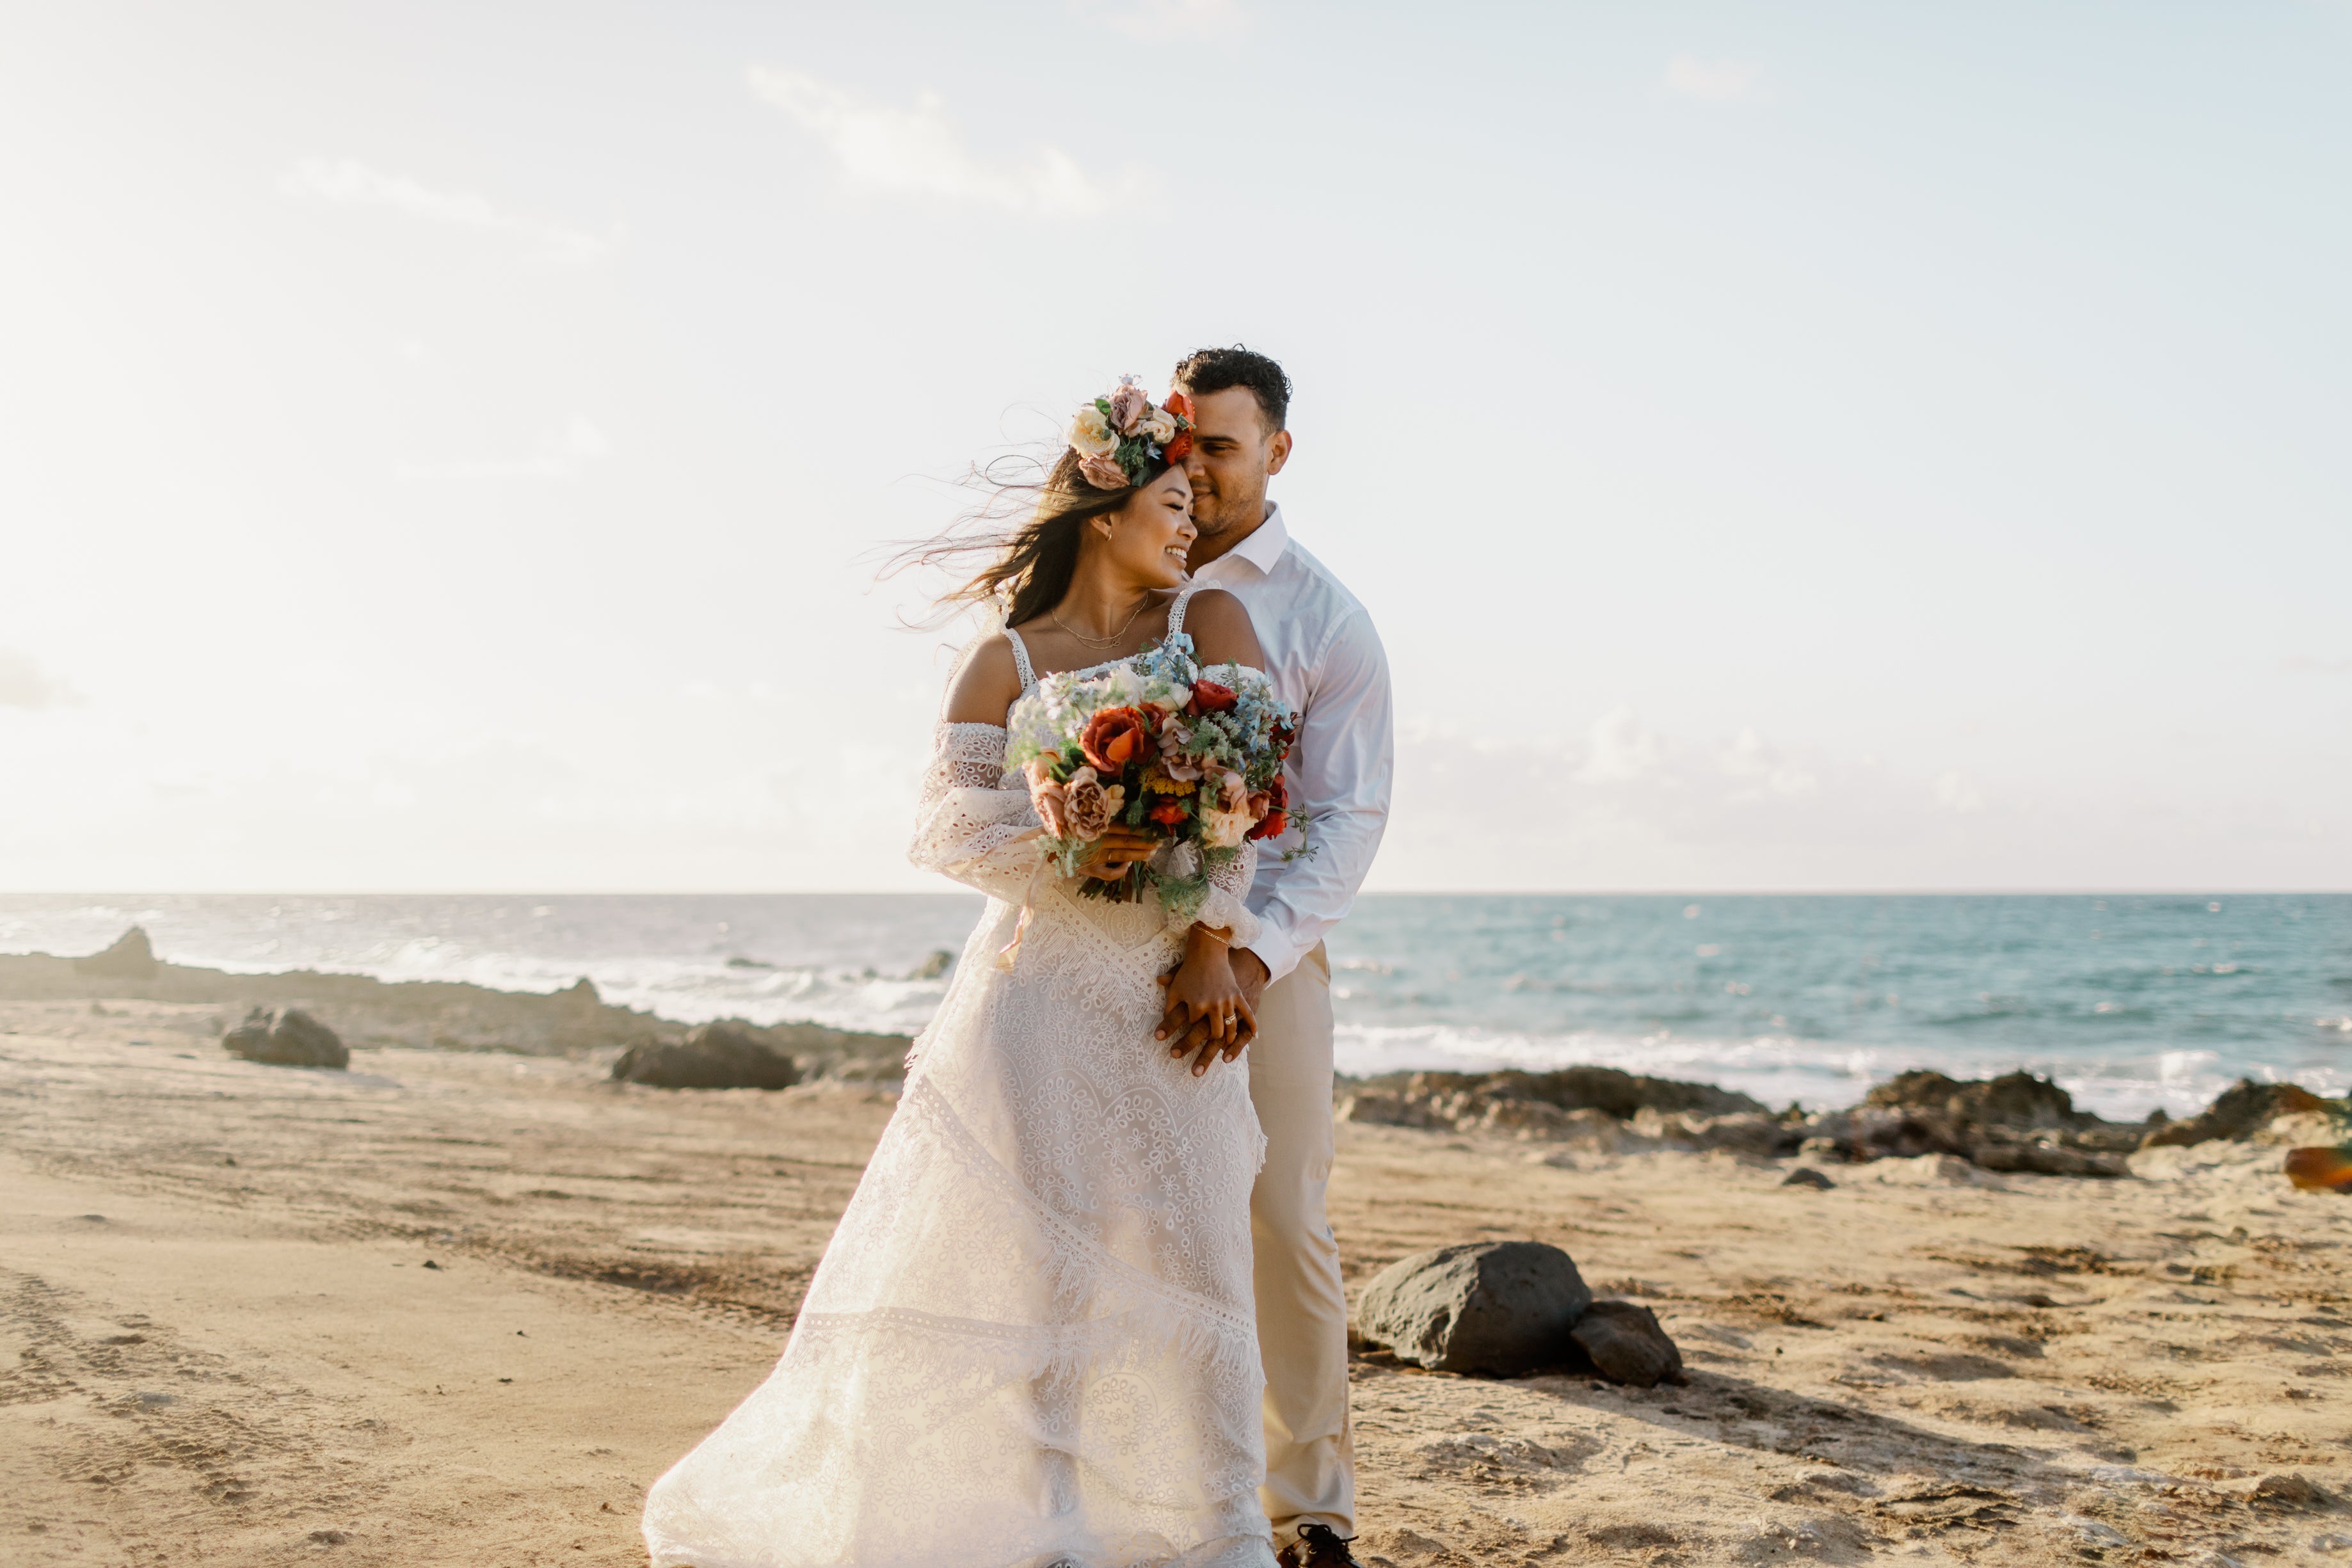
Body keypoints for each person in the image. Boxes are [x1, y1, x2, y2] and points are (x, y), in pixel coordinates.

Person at [642, 379, 1283, 1568]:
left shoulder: (1216, 632)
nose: (1192, 520)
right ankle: (1054, 1529)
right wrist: (1075, 843)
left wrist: (1209, 946)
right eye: (1171, 497)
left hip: (1171, 995)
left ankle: (1226, 1531)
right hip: (1036, 999)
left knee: (1200, 1256)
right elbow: (947, 830)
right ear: (1105, 507)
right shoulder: (1006, 657)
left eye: (1200, 498)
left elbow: (1249, 814)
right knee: (1050, 1275)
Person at [1152, 348, 1391, 1568]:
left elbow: (1348, 821)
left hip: (1270, 958)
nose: (1195, 469)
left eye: (1224, 447)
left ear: (1278, 453)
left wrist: (1248, 954)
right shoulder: (1124, 567)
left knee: (1285, 1214)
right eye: (1181, 443)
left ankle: (1314, 1512)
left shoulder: (1325, 614)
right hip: (1110, 948)